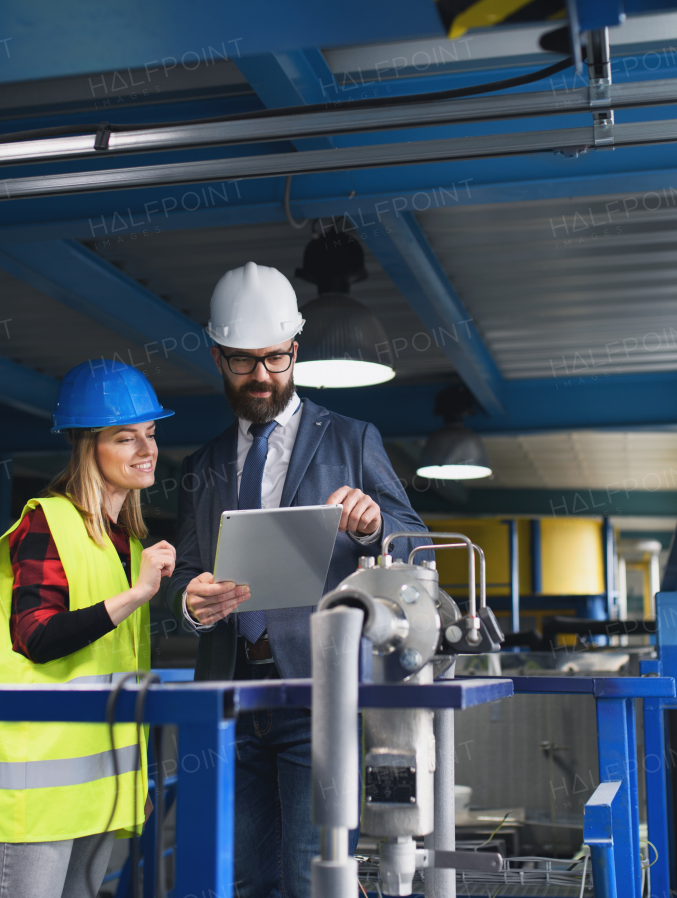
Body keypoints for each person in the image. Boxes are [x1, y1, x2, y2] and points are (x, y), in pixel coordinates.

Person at [170, 262, 430, 898]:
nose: (261, 375)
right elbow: (183, 570)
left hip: (316, 696)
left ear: (295, 349)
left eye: (275, 359)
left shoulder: (350, 438)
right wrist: (189, 602)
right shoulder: (200, 465)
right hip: (229, 700)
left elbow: (417, 545)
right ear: (217, 357)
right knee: (246, 879)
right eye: (243, 361)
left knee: (314, 877)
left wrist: (373, 528)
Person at [0, 359, 176, 898]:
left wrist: (135, 783)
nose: (146, 449)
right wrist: (136, 594)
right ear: (88, 448)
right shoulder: (46, 522)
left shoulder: (123, 544)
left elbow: (119, 672)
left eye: (150, 434)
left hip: (99, 788)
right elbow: (36, 635)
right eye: (125, 438)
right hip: (32, 793)